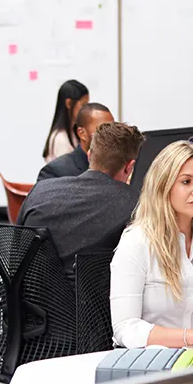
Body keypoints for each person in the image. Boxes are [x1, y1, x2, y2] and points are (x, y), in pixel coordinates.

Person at [110, 140, 193, 349]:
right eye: (186, 182)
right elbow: (125, 329)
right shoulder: (137, 242)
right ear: (163, 186)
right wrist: (192, 337)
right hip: (154, 361)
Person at [18, 122, 144, 277]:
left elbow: (16, 254)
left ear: (89, 155)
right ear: (129, 167)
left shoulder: (40, 190)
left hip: (30, 290)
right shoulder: (135, 204)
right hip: (93, 293)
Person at [37, 102, 114, 181]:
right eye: (103, 129)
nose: (111, 134)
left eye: (113, 128)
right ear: (82, 133)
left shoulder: (117, 167)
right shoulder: (55, 172)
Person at [43, 79, 89, 163]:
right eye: (83, 105)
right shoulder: (61, 139)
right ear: (69, 103)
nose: (86, 110)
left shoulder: (74, 133)